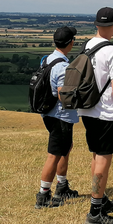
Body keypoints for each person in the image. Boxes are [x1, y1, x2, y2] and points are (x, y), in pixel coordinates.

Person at [79, 7, 113, 224]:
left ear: (96, 25)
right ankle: (95, 213)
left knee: (96, 156)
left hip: (87, 110)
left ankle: (101, 199)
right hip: (107, 112)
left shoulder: (87, 46)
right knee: (103, 160)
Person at [35, 26, 80, 209]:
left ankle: (62, 186)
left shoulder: (48, 59)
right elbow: (63, 94)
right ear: (71, 43)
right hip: (60, 115)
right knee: (54, 155)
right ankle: (43, 196)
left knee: (65, 149)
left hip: (49, 112)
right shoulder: (62, 66)